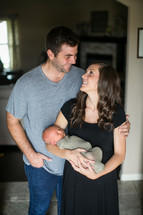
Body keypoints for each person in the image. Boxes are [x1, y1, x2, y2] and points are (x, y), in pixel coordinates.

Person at [6, 26, 130, 215]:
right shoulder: (26, 83)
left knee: (70, 208)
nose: (74, 61)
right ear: (51, 54)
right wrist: (31, 155)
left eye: (75, 55)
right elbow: (12, 120)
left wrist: (122, 122)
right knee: (39, 208)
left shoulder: (79, 76)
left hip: (73, 168)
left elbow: (107, 107)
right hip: (43, 163)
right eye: (68, 56)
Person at [46, 62, 127, 215]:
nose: (83, 75)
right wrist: (68, 154)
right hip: (74, 178)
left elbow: (120, 155)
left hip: (103, 177)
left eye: (90, 73)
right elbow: (50, 144)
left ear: (104, 81)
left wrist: (97, 174)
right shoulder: (70, 108)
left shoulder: (117, 113)